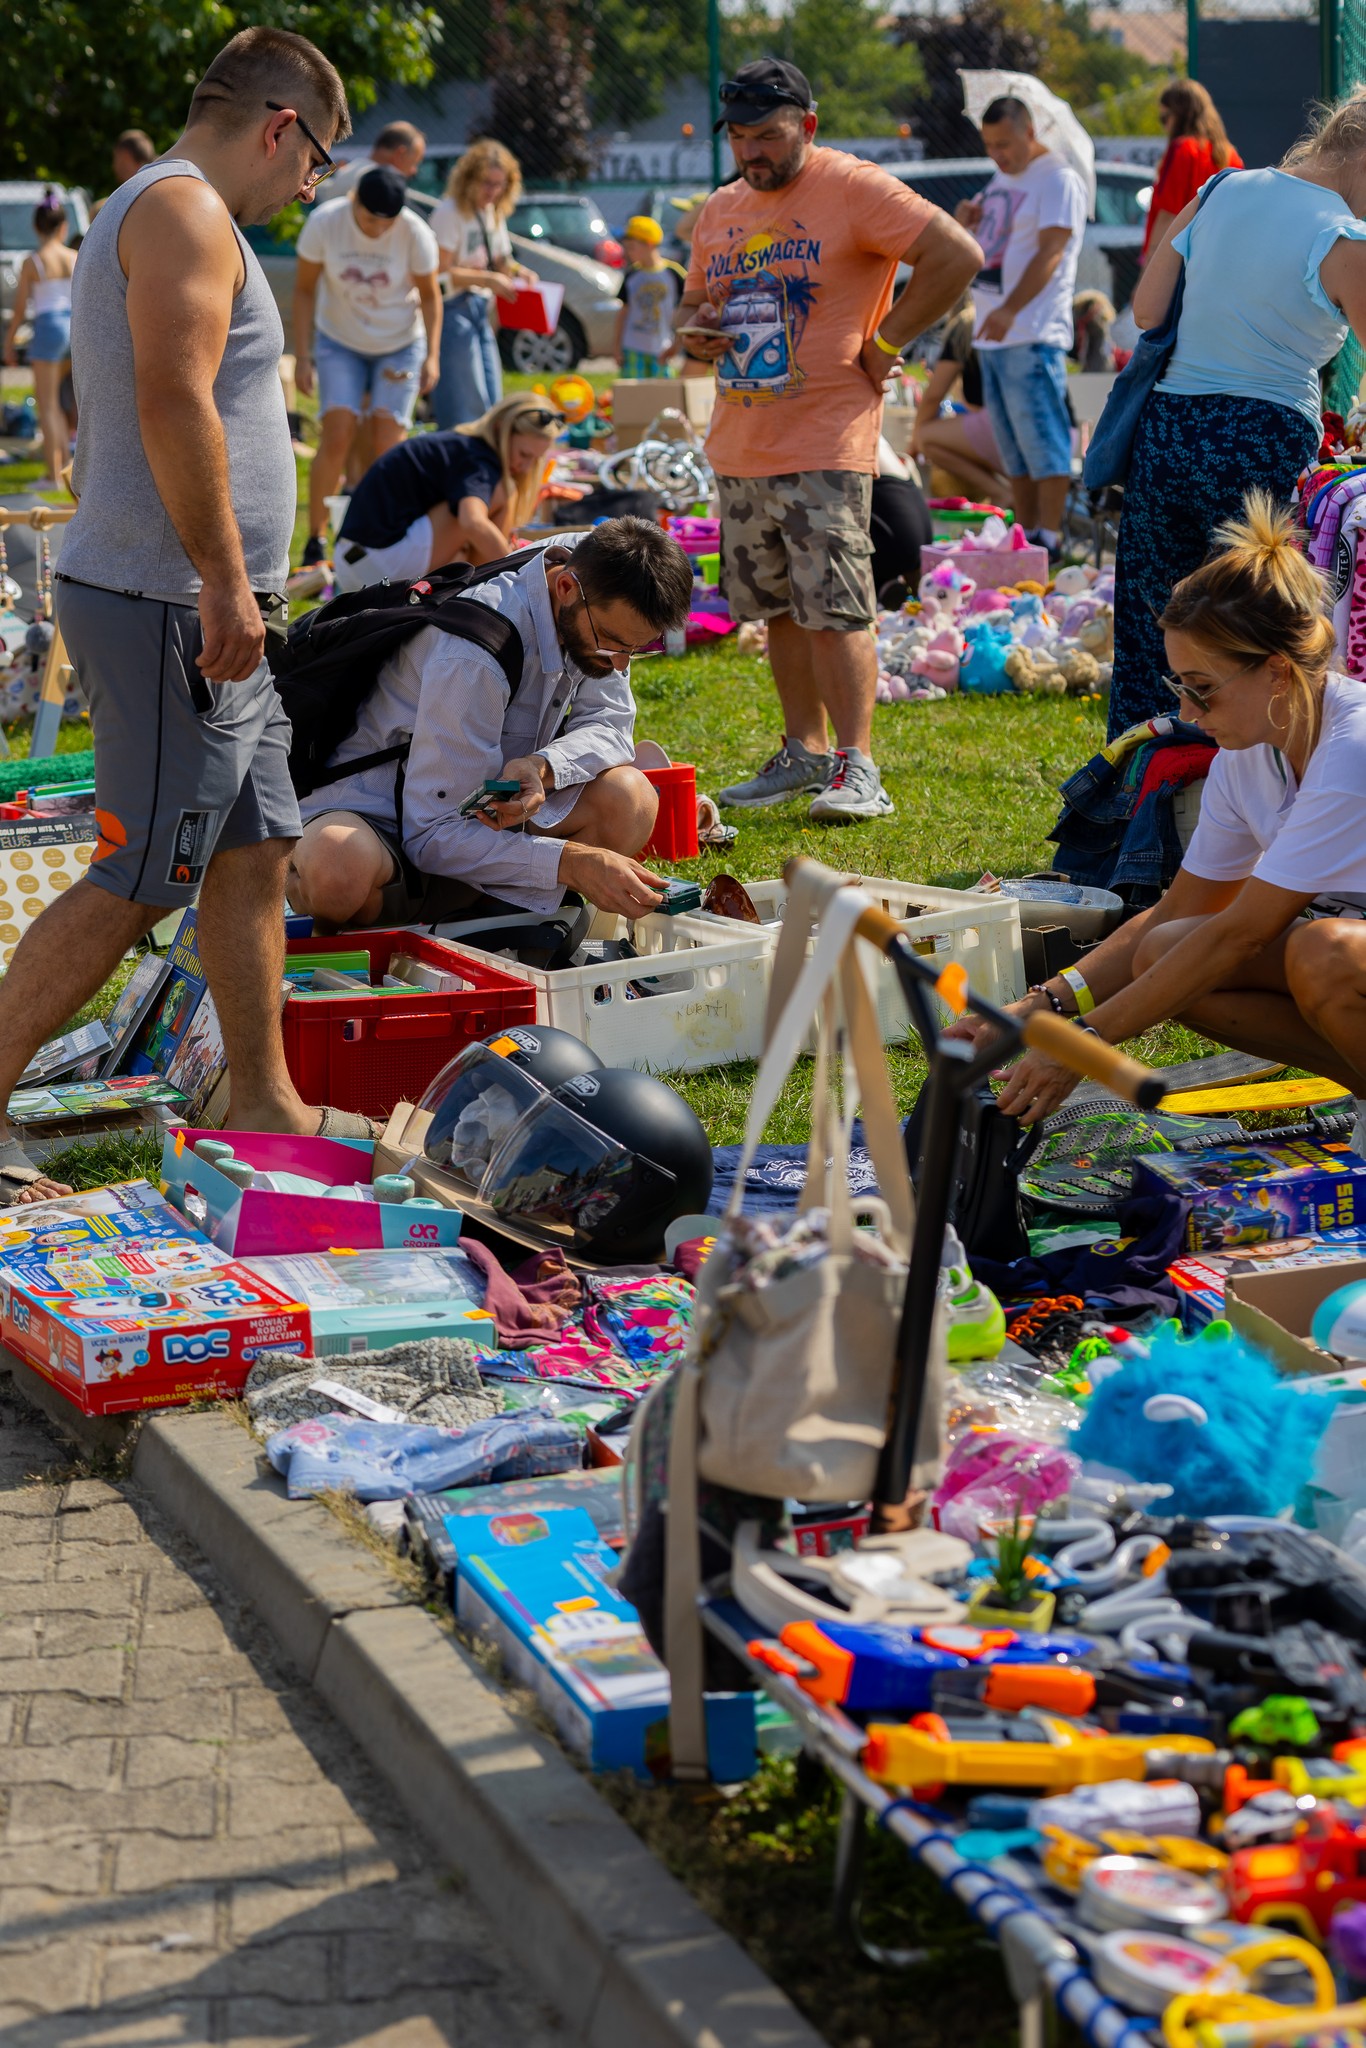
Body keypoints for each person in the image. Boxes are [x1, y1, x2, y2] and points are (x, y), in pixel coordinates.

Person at [0, 26, 356, 1213]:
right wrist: (218, 576)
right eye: (318, 162)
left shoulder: (179, 208)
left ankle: (259, 1096)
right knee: (144, 873)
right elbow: (171, 393)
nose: (313, 190)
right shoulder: (187, 211)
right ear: (279, 126)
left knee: (253, 852)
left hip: (202, 602)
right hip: (170, 603)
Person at [954, 496, 1366, 1150]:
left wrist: (1080, 1047)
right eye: (1179, 684)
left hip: (1341, 953)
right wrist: (1045, 1006)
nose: (1186, 710)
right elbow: (1180, 913)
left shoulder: (1353, 749)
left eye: (1201, 688)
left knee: (1323, 955)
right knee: (1165, 950)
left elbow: (1238, 936)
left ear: (1279, 672)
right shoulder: (1250, 746)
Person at [678, 58, 980, 822]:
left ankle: (859, 766)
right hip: (743, 441)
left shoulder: (853, 187)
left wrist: (888, 341)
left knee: (837, 607)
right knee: (777, 607)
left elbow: (956, 257)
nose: (752, 153)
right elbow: (691, 308)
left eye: (768, 136)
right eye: (740, 137)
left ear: (807, 127)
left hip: (825, 440)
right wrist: (697, 334)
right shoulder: (719, 209)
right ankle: (803, 753)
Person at [1108, 88, 1366, 740]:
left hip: (1166, 433)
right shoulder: (1343, 236)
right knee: (1258, 636)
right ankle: (1249, 800)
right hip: (1264, 440)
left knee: (1152, 633)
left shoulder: (1221, 188)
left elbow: (1145, 310)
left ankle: (1132, 813)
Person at [287, 519, 694, 929]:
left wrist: (544, 766)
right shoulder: (472, 657)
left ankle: (506, 930)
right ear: (565, 588)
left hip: (485, 819)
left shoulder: (598, 576)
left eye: (637, 649)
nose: (619, 663)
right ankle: (411, 937)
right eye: (610, 641)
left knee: (631, 798)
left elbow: (610, 722)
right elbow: (431, 833)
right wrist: (570, 863)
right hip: (384, 824)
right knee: (335, 868)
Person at [953, 95, 1087, 562]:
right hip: (996, 334)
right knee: (1014, 447)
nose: (997, 154)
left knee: (1041, 440)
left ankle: (1050, 536)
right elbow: (991, 241)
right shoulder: (1003, 177)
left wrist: (1010, 308)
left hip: (1030, 332)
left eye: (1005, 144)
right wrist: (964, 222)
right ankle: (1028, 534)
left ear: (1030, 133)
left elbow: (1051, 253)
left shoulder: (1058, 179)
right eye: (990, 145)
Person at [294, 164, 441, 567]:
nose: (377, 230)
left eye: (386, 223)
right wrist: (303, 356)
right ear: (354, 201)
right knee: (337, 431)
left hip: (400, 342)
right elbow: (305, 290)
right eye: (369, 220)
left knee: (387, 440)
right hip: (339, 341)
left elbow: (430, 296)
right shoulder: (326, 223)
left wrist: (432, 356)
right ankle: (316, 538)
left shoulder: (415, 232)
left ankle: (383, 534)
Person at [331, 394, 563, 593]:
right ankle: (481, 589)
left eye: (534, 460)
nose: (525, 467)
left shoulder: (460, 446)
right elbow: (472, 522)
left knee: (471, 515)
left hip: (352, 561)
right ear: (499, 429)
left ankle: (478, 584)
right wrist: (520, 573)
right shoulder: (479, 460)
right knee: (499, 495)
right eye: (523, 454)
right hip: (378, 567)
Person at [430, 140, 537, 432]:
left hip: (480, 309)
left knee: (492, 397)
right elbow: (441, 272)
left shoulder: (492, 212)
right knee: (465, 400)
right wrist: (488, 279)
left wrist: (518, 271)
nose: (492, 191)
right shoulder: (450, 212)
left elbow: (500, 257)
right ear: (468, 179)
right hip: (452, 308)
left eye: (499, 184)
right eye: (486, 183)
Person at [3, 195, 77, 484]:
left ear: (36, 227)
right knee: (66, 404)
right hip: (74, 326)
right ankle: (67, 468)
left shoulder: (33, 261)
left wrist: (8, 343)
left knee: (47, 405)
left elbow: (21, 308)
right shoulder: (74, 255)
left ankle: (53, 474)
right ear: (63, 226)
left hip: (48, 329)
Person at [910, 293, 1009, 505]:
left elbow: (933, 396)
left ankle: (1001, 492)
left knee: (927, 437)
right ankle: (1005, 493)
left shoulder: (966, 324)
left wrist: (915, 442)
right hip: (1036, 427)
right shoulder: (1008, 317)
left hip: (1001, 426)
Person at [1142, 80, 1242, 264]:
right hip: (1217, 257)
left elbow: (1167, 215)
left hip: (1178, 260)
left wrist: (1148, 267)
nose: (1165, 126)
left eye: (1165, 118)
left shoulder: (1182, 150)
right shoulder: (1231, 155)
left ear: (1180, 116)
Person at [614, 215, 683, 378]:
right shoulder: (632, 275)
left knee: (662, 395)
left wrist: (678, 343)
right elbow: (623, 313)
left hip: (661, 348)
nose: (628, 252)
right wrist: (617, 347)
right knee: (634, 396)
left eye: (632, 247)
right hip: (632, 347)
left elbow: (684, 310)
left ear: (650, 245)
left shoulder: (673, 274)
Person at [327, 119, 426, 199]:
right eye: (414, 163)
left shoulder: (348, 171)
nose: (414, 171)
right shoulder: (380, 185)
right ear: (400, 154)